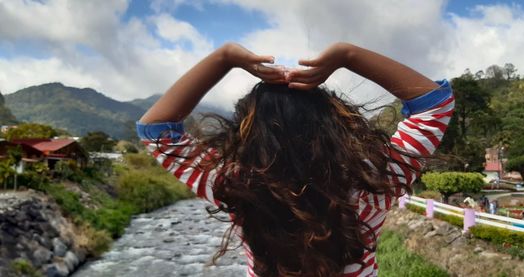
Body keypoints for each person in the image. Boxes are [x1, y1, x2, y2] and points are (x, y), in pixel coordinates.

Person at [136, 42, 454, 277]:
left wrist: (225, 58)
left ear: (246, 135)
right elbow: (434, 105)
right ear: (333, 127)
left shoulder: (237, 190)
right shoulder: (372, 186)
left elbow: (155, 130)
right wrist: (347, 55)